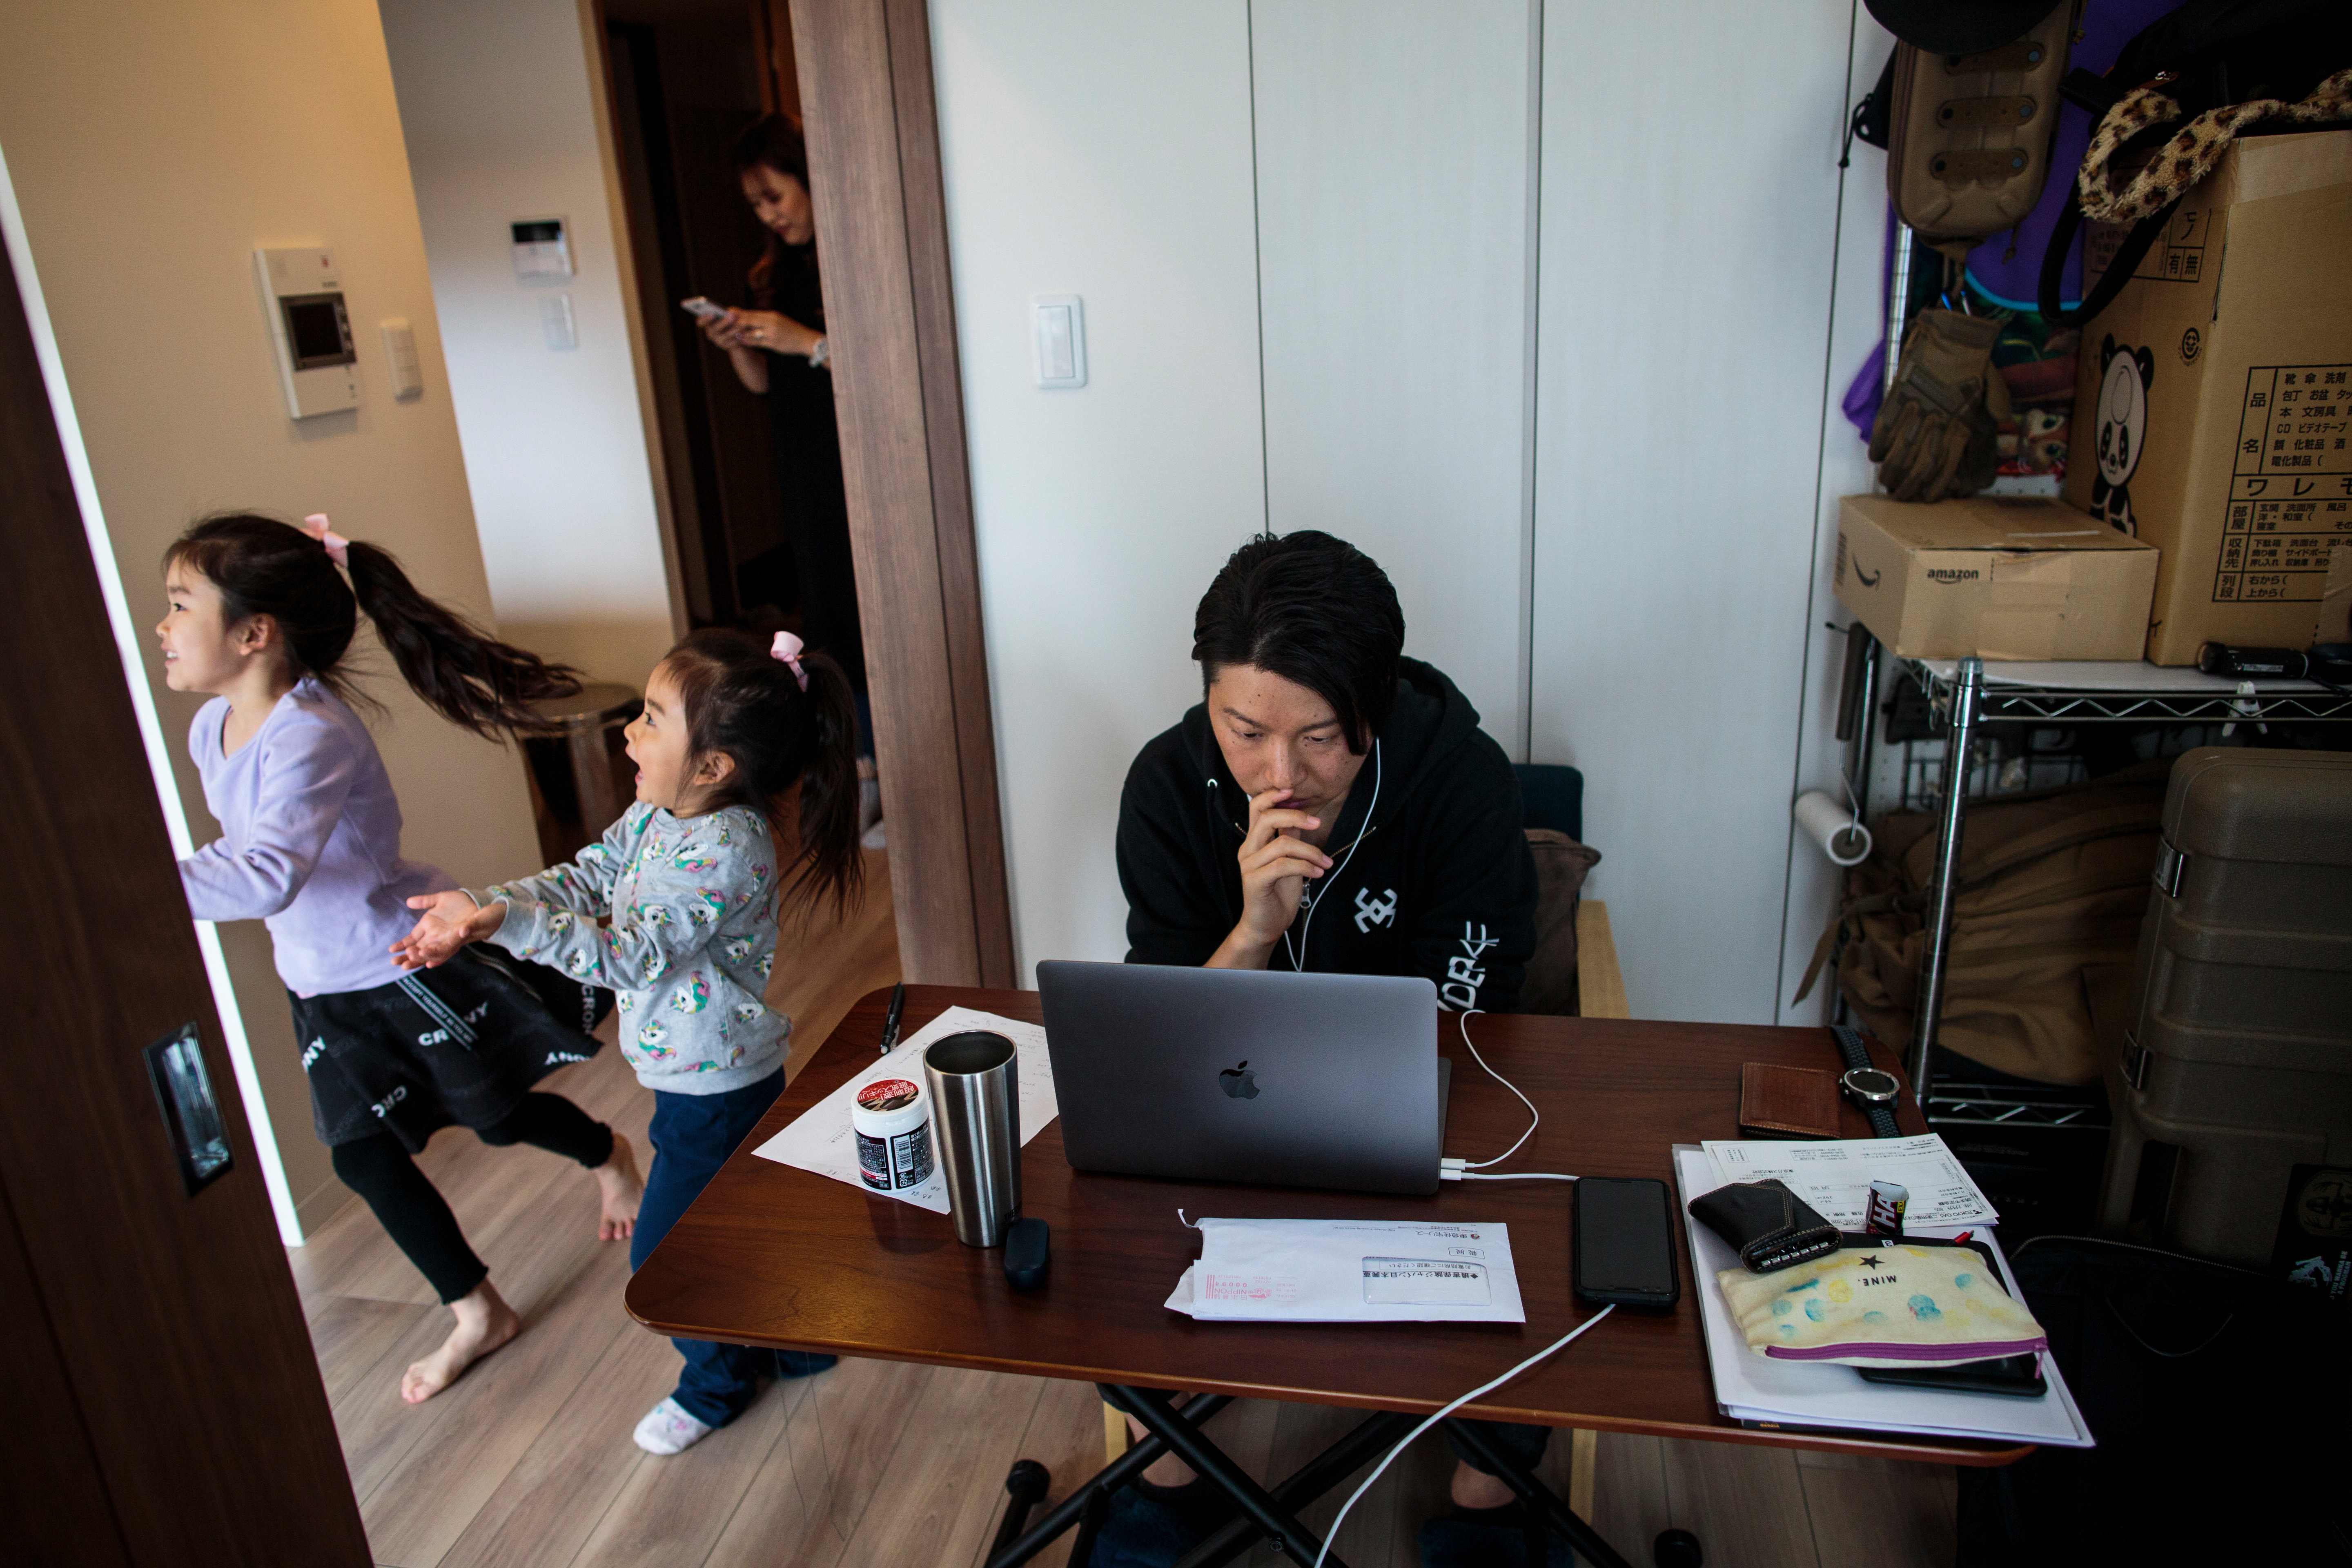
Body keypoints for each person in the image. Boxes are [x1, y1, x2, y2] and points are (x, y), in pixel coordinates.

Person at [1112, 530, 1559, 1567]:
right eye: (1245, 730)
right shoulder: (1168, 786)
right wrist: (1252, 933)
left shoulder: (1460, 779)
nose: (1282, 775)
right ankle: (1167, 1484)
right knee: (1113, 1251)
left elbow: (1473, 1022)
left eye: (1319, 736)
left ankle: (1485, 1505)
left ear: (1376, 705)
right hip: (1227, 1122)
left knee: (1541, 1262)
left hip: (1431, 1121)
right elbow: (1167, 1047)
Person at [160, 512, 642, 1405]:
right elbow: (248, 857)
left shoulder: (310, 732)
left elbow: (267, 872)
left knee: (495, 1118)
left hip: (399, 965)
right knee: (362, 1159)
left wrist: (135, 882)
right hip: (321, 985)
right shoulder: (211, 731)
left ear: (255, 632)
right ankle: (477, 1309)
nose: (163, 625)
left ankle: (608, 1153)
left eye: (180, 604)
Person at [394, 627, 864, 1455]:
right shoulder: (657, 815)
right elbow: (584, 878)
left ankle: (715, 1387)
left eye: (651, 719)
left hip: (715, 1085)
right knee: (736, 1221)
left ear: (713, 766)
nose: (629, 732)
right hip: (699, 1072)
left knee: (664, 1255)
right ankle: (792, 1345)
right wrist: (484, 907)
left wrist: (511, 926)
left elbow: (633, 952)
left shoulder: (726, 848)